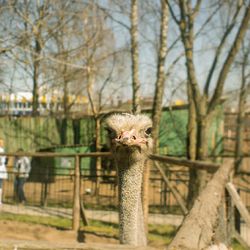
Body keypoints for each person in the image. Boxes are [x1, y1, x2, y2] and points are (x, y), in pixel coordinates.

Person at [0, 139, 8, 205]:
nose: (2, 144)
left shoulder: (3, 150)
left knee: (0, 186)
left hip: (1, 170)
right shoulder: (1, 150)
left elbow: (3, 161)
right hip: (1, 170)